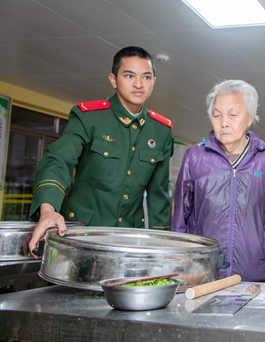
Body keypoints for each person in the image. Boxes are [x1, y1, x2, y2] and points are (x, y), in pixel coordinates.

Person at [28, 46, 173, 257]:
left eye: (146, 77)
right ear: (113, 80)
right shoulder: (89, 117)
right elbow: (58, 160)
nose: (139, 84)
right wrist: (48, 210)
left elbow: (158, 195)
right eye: (129, 75)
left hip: (128, 242)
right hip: (79, 236)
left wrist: (161, 247)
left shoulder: (161, 130)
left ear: (153, 82)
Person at [171, 80, 265, 282]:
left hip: (254, 274)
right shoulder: (195, 157)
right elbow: (179, 220)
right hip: (204, 274)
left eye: (233, 114)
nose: (224, 122)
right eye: (217, 114)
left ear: (249, 117)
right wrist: (183, 261)